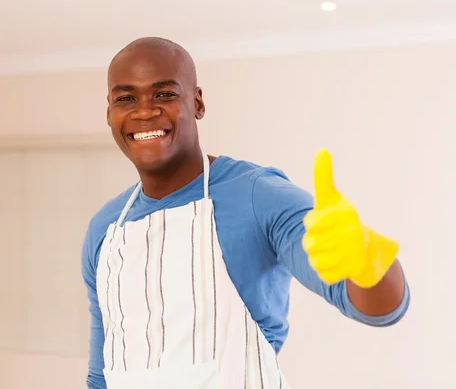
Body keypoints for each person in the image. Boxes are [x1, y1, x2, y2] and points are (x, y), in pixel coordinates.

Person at [81, 37, 410, 389]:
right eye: (126, 98)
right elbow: (103, 373)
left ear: (197, 103)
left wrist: (364, 259)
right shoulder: (106, 228)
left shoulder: (258, 195)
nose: (144, 111)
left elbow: (380, 310)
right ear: (109, 113)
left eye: (164, 94)